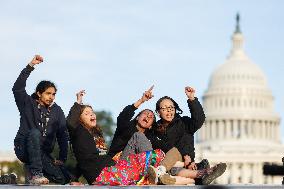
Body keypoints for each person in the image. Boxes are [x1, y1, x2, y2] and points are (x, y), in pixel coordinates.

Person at [66, 90, 166, 185]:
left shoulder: (96, 136)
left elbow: (85, 159)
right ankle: (152, 173)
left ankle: (155, 171)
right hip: (104, 171)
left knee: (157, 153)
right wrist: (78, 102)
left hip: (111, 167)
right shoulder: (79, 131)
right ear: (79, 119)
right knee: (144, 165)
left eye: (92, 112)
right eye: (86, 113)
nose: (92, 114)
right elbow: (71, 123)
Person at [12, 55, 70, 185]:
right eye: (48, 93)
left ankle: (13, 177)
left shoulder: (57, 111)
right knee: (35, 133)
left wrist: (62, 158)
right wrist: (30, 66)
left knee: (63, 178)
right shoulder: (27, 103)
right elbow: (17, 88)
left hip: (41, 153)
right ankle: (36, 174)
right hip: (23, 147)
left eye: (54, 94)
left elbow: (62, 135)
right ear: (39, 93)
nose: (51, 97)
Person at [152, 86, 226, 185]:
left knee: (175, 170)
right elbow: (162, 148)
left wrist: (192, 99)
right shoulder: (155, 130)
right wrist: (184, 156)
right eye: (164, 108)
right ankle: (203, 175)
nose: (169, 111)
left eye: (171, 107)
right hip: (169, 163)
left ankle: (202, 174)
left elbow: (198, 121)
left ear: (175, 109)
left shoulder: (184, 122)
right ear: (158, 112)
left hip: (186, 164)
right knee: (173, 168)